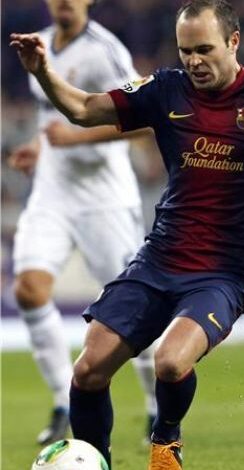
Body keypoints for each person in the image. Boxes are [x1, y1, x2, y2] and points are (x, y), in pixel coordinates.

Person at [10, 0, 244, 468]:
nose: (193, 61)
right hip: (159, 259)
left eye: (204, 49)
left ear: (233, 41)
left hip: (225, 273)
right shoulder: (166, 89)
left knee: (170, 361)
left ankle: (165, 440)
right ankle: (95, 460)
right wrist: (44, 72)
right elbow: (85, 109)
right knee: (88, 370)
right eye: (185, 51)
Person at [8, 0, 157, 446]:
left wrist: (74, 138)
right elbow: (49, 115)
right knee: (28, 289)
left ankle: (157, 407)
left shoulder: (104, 51)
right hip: (52, 193)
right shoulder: (39, 45)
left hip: (104, 200)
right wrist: (39, 146)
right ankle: (63, 402)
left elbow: (145, 118)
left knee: (133, 309)